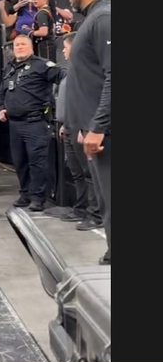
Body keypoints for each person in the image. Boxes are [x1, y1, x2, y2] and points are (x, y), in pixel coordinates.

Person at [65, 0, 111, 265]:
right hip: (95, 130)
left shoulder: (104, 18)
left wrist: (98, 127)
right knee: (107, 199)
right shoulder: (94, 19)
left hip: (106, 134)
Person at [0, 35, 66, 211]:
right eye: (16, 45)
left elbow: (64, 77)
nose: (19, 47)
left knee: (37, 162)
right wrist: (2, 108)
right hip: (15, 124)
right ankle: (25, 194)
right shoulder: (9, 67)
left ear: (31, 47)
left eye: (23, 44)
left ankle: (38, 198)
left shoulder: (42, 65)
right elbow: (2, 90)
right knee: (20, 162)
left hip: (35, 122)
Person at [56, 33, 103, 230]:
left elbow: (90, 102)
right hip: (69, 125)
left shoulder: (88, 71)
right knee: (76, 172)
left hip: (82, 127)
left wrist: (85, 127)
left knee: (89, 173)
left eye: (66, 47)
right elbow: (71, 101)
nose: (63, 51)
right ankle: (81, 208)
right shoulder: (72, 71)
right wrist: (65, 123)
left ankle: (96, 214)